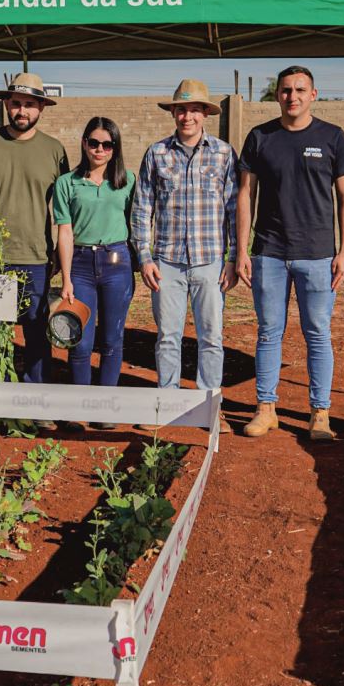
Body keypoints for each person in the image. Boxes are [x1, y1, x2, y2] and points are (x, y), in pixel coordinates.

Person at [236, 65, 344, 441]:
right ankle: (265, 408)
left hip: (318, 255)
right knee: (269, 332)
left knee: (317, 333)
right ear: (278, 95)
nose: (293, 96)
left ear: (314, 95)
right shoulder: (260, 137)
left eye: (300, 90)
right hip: (269, 252)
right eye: (286, 90)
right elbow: (245, 195)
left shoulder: (333, 137)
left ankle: (320, 413)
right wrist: (241, 249)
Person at [0, 73, 69, 429]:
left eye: (30, 104)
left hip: (36, 256)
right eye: (17, 103)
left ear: (41, 109)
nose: (22, 110)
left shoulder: (55, 151)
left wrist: (59, 256)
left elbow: (63, 210)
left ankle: (36, 406)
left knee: (36, 334)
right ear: (7, 104)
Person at [131, 79, 238, 433]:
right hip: (167, 263)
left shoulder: (223, 154)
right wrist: (145, 257)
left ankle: (209, 408)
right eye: (181, 109)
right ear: (173, 113)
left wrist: (234, 257)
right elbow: (142, 206)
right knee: (167, 335)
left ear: (205, 113)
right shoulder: (157, 153)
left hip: (209, 261)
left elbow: (234, 209)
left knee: (211, 336)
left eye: (194, 109)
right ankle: (167, 403)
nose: (187, 116)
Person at [53, 117, 136, 432]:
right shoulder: (67, 183)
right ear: (84, 143)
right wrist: (66, 277)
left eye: (107, 144)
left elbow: (137, 224)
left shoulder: (128, 181)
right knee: (80, 341)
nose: (99, 150)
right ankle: (79, 405)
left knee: (112, 339)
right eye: (93, 143)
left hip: (117, 263)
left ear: (115, 148)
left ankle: (106, 408)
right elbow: (64, 231)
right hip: (81, 266)